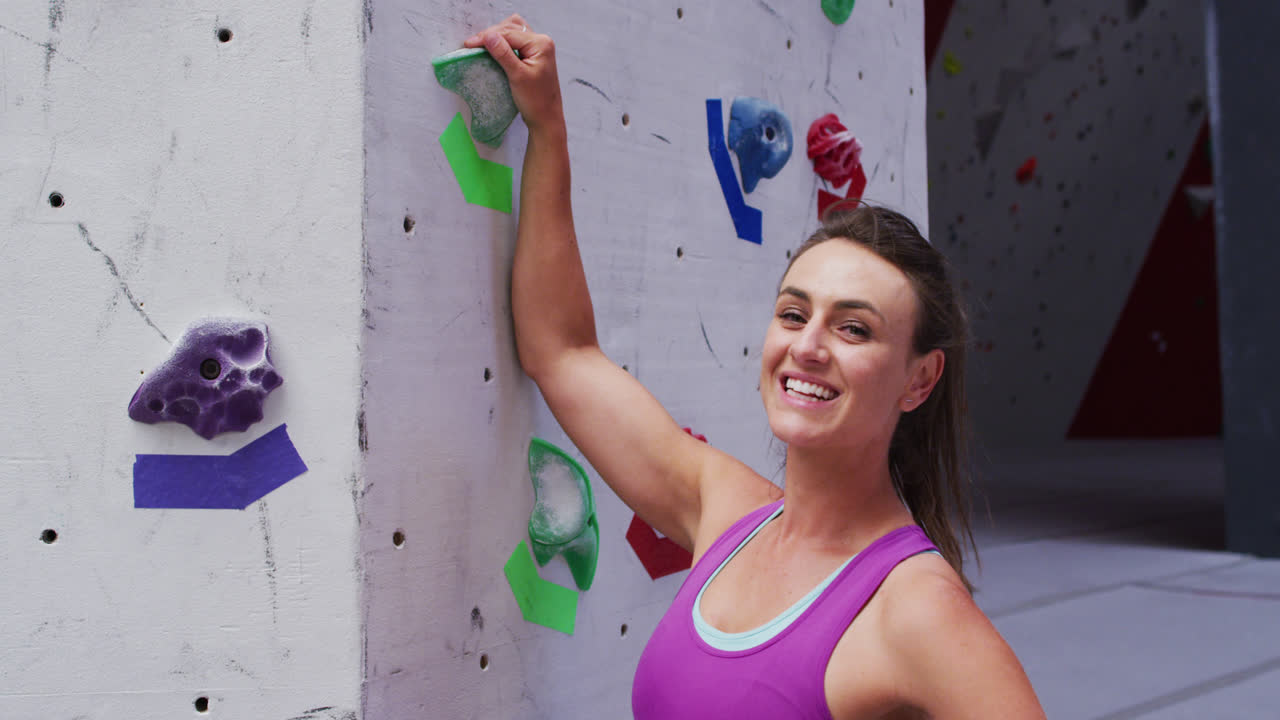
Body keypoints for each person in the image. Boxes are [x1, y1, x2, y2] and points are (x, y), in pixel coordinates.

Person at [464, 15, 1047, 719]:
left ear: (919, 379)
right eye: (794, 314)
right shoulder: (725, 514)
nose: (809, 346)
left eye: (854, 328)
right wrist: (548, 125)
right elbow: (561, 352)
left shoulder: (916, 610)